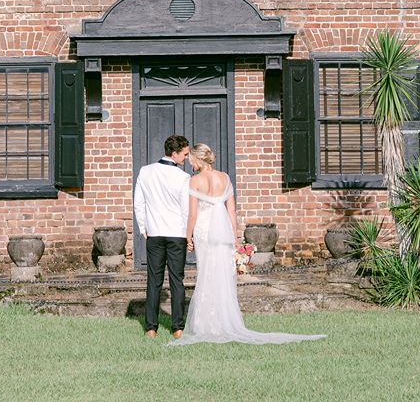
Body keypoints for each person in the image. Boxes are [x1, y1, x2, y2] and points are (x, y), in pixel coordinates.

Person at [170, 142, 324, 346]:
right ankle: (223, 321)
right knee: (224, 274)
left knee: (207, 273)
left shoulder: (195, 181)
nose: (190, 162)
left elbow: (193, 214)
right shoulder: (224, 178)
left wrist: (187, 237)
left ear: (198, 159)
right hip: (224, 230)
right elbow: (232, 212)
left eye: (192, 159)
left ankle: (207, 324)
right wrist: (234, 238)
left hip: (204, 232)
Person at [133, 134, 192, 338]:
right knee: (177, 280)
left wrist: (143, 228)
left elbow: (138, 203)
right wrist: (188, 235)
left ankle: (150, 327)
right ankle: (177, 327)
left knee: (153, 280)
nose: (186, 157)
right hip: (176, 234)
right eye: (184, 154)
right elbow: (186, 210)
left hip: (155, 233)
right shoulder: (184, 178)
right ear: (174, 153)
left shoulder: (145, 171)